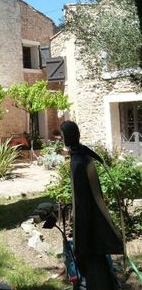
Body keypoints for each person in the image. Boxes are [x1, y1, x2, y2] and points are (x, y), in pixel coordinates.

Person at [60, 120, 123, 290]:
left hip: (89, 225)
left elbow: (82, 202)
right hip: (94, 220)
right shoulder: (83, 156)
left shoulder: (78, 161)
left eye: (63, 135)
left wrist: (81, 233)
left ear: (67, 137)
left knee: (94, 270)